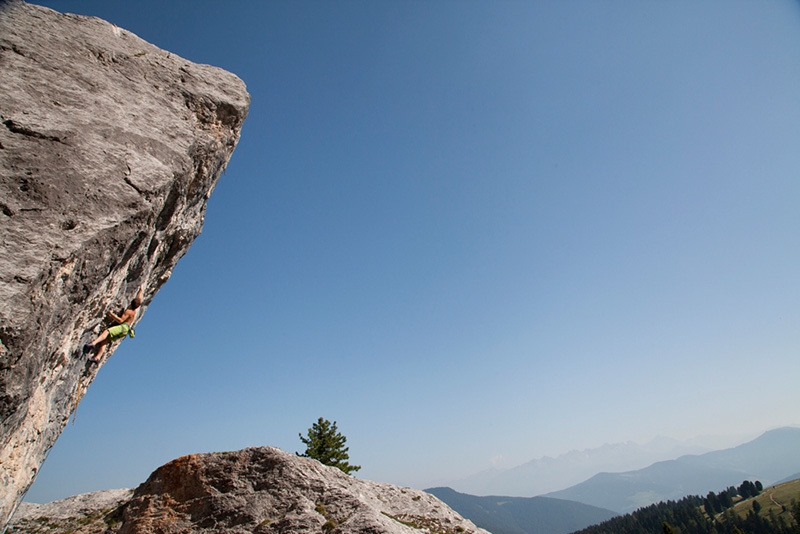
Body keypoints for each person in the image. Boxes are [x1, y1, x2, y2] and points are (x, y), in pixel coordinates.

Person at [83, 286, 143, 363]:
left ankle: (93, 343)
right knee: (105, 340)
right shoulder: (134, 310)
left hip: (122, 327)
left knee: (106, 332)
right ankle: (97, 357)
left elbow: (121, 320)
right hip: (125, 331)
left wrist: (111, 314)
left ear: (131, 302)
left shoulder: (129, 311)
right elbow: (139, 298)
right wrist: (140, 291)